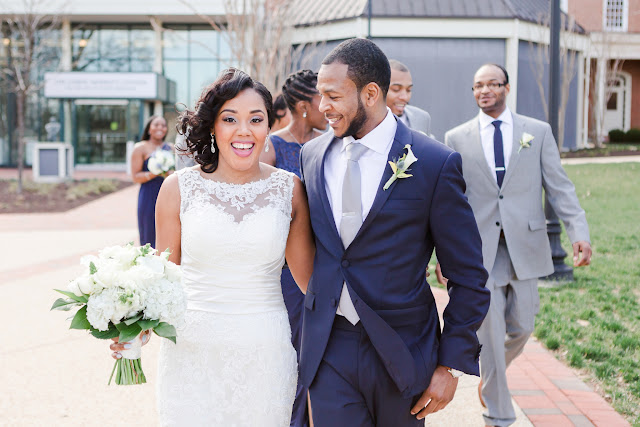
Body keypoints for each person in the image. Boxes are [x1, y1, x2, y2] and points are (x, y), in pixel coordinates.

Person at [299, 37, 490, 426]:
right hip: (329, 348)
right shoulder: (312, 155)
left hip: (402, 353)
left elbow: (468, 274)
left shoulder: (435, 163)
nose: (322, 108)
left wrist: (450, 364)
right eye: (320, 96)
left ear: (370, 94)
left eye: (332, 96)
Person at [111, 68, 315, 425]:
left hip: (264, 349)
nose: (244, 130)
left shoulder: (290, 190)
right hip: (191, 351)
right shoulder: (178, 188)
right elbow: (164, 278)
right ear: (213, 126)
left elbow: (310, 282)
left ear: (269, 126)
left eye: (256, 119)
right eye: (230, 118)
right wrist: (134, 330)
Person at [443, 63, 592, 427]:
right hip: (479, 251)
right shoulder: (456, 138)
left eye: (492, 84)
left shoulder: (536, 132)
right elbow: (449, 202)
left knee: (522, 326)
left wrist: (579, 232)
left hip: (525, 245)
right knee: (490, 333)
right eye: (478, 86)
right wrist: (444, 255)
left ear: (506, 88)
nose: (484, 91)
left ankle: (493, 379)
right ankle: (500, 414)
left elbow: (559, 186)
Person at [259, 69, 327, 427]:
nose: (328, 105)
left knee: (317, 355)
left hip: (325, 265)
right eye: (322, 98)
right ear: (303, 106)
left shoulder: (330, 144)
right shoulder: (271, 148)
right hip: (285, 274)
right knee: (288, 353)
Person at [129, 115, 172, 248]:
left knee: (169, 231)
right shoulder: (140, 148)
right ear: (149, 129)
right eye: (156, 124)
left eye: (163, 125)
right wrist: (156, 172)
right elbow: (135, 177)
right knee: (149, 233)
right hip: (148, 195)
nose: (160, 128)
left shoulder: (171, 148)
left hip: (168, 194)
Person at [387, 59, 432, 136]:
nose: (405, 97)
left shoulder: (422, 118)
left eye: (408, 90)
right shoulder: (365, 122)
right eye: (396, 89)